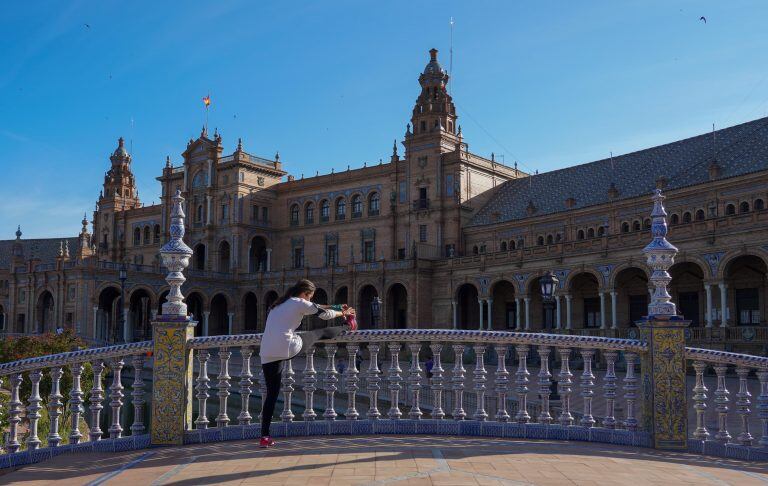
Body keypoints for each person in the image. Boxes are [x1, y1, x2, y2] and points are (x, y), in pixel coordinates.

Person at [259, 279, 356, 448]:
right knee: (319, 333)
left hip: (266, 351)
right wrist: (344, 313)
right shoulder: (300, 303)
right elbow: (323, 314)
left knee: (271, 395)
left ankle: (264, 437)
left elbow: (318, 306)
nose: (310, 300)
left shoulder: (279, 304)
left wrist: (337, 306)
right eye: (310, 297)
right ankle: (348, 326)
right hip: (287, 347)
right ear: (305, 294)